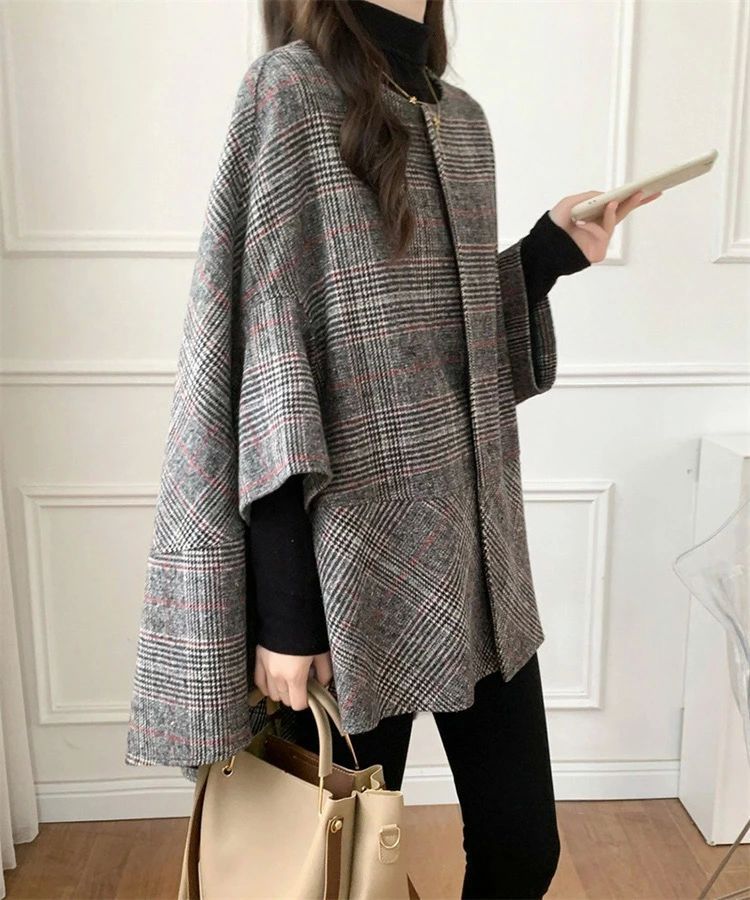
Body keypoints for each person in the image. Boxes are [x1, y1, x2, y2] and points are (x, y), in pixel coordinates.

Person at [125, 0, 661, 896]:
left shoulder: (462, 121)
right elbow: (268, 351)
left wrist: (545, 254)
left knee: (523, 846)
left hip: (477, 555)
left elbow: (452, 342)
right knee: (332, 869)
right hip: (345, 565)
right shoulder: (290, 92)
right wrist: (287, 616)